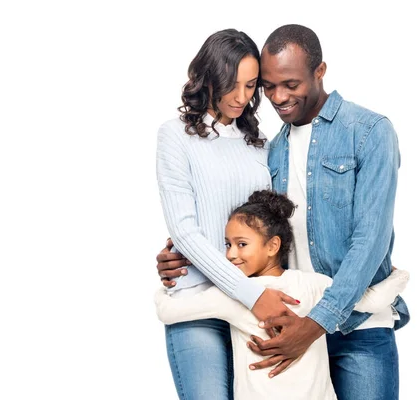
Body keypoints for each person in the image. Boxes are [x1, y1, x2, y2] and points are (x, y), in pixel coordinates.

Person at [156, 24, 410, 400]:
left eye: (288, 84)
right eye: (268, 86)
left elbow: (369, 240)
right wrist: (181, 252)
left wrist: (318, 321)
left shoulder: (366, 132)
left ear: (319, 71)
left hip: (334, 323)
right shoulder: (272, 148)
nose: (276, 96)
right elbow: (234, 225)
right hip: (273, 314)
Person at [155, 28, 299, 400]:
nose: (241, 97)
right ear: (208, 78)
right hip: (199, 304)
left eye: (251, 86)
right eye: (230, 84)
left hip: (259, 302)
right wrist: (249, 293)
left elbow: (274, 225)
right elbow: (185, 232)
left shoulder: (262, 146)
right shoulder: (175, 136)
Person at [154, 190, 409, 400]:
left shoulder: (229, 296)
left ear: (273, 245)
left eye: (242, 244)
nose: (231, 254)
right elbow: (373, 300)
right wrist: (399, 276)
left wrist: (169, 282)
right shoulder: (313, 285)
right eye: (228, 244)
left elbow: (167, 311)